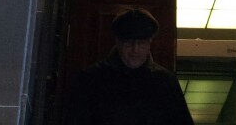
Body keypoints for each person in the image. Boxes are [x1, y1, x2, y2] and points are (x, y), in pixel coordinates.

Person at [66, 8, 195, 125]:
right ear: (118, 42)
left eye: (141, 43)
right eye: (129, 43)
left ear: (149, 43)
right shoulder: (91, 79)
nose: (135, 50)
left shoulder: (166, 82)